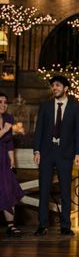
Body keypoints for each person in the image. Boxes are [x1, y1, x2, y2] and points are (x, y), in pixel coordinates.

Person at [33, 76, 79, 236]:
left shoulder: (75, 107)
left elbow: (78, 132)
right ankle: (42, 225)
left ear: (66, 88)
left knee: (65, 189)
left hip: (66, 154)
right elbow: (39, 129)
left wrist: (78, 153)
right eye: (53, 86)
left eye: (58, 85)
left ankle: (65, 226)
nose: (54, 88)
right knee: (44, 189)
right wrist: (37, 151)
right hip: (47, 153)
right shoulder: (45, 106)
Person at [0, 93, 25, 237]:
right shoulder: (7, 124)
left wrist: (12, 160)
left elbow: (9, 142)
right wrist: (4, 130)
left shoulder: (9, 119)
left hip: (4, 159)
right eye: (0, 102)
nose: (3, 104)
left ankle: (11, 225)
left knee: (8, 189)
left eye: (5, 102)